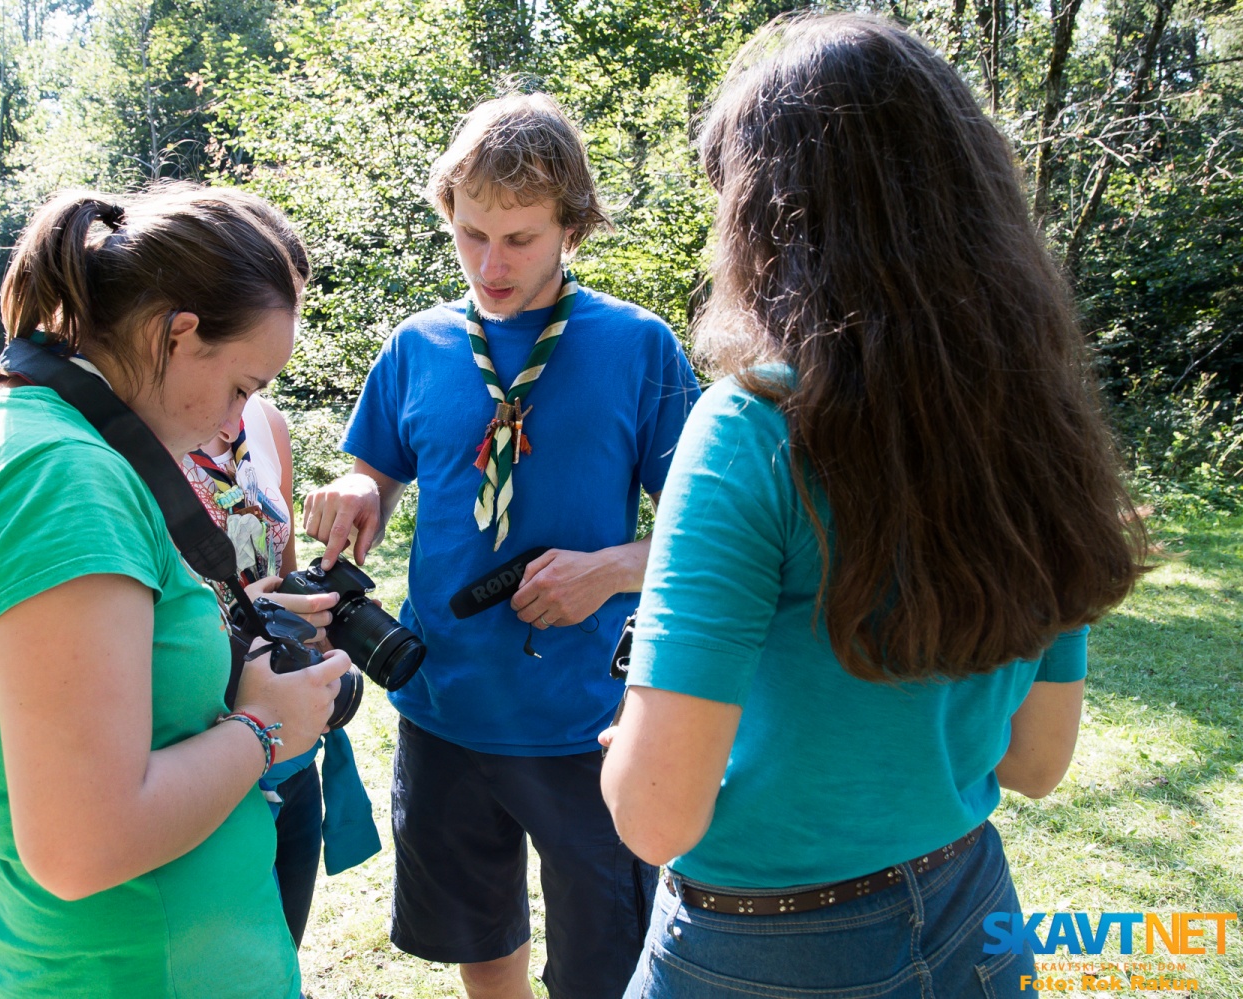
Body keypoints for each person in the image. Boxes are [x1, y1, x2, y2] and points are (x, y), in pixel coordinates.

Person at [600, 14, 1149, 999]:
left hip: (761, 953)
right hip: (972, 913)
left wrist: (639, 738)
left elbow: (654, 817)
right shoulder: (1037, 417)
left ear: (768, 218)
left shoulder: (752, 429)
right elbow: (1037, 761)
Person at [0, 184, 350, 999]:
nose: (239, 423)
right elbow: (84, 843)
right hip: (140, 967)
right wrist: (269, 725)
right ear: (178, 335)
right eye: (243, 386)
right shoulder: (62, 480)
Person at [303, 93, 700, 999]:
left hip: (587, 718)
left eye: (519, 238)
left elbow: (704, 536)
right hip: (446, 704)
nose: (490, 263)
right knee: (480, 932)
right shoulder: (417, 345)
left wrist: (609, 571)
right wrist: (361, 489)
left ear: (573, 226)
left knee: (606, 956)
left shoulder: (637, 346)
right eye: (471, 233)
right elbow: (382, 472)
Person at [181, 396, 381, 949]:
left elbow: (283, 569)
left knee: (279, 950)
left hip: (289, 747)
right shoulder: (145, 420)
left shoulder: (265, 422)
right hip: (201, 741)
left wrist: (313, 621)